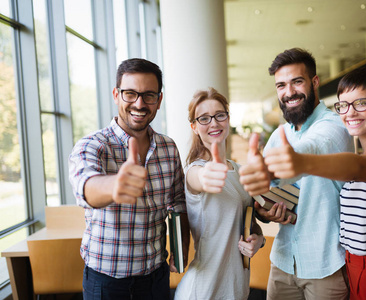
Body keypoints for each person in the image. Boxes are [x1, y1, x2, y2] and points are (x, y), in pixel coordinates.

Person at [263, 67, 366, 299]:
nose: (349, 113)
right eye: (343, 105)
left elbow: (355, 168)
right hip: (353, 266)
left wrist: (301, 163)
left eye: (361, 103)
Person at [68, 58, 190, 299]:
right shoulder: (93, 145)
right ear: (116, 95)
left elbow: (178, 203)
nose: (139, 103)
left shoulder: (168, 147)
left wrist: (180, 247)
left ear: (159, 100)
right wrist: (115, 186)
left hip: (156, 277)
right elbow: (86, 187)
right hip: (106, 282)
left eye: (148, 95)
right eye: (130, 94)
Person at [239, 48, 354, 300]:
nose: (288, 92)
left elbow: (310, 149)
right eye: (281, 85)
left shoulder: (334, 127)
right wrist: (265, 212)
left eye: (297, 82)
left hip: (326, 266)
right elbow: (263, 197)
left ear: (314, 82)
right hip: (283, 261)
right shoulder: (281, 134)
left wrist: (277, 168)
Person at [174, 87, 265, 300]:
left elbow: (249, 225)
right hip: (203, 291)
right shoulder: (194, 172)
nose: (214, 123)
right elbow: (198, 179)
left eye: (219, 115)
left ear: (228, 118)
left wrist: (258, 241)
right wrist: (208, 176)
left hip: (237, 288)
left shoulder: (241, 171)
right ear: (194, 127)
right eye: (204, 119)